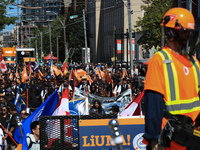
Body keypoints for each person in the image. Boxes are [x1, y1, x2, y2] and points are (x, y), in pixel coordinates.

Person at [143, 8, 200, 150]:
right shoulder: (159, 61)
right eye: (184, 31)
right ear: (171, 32)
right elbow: (153, 103)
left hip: (193, 138)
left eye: (189, 32)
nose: (188, 36)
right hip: (169, 139)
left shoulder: (195, 63)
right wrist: (154, 139)